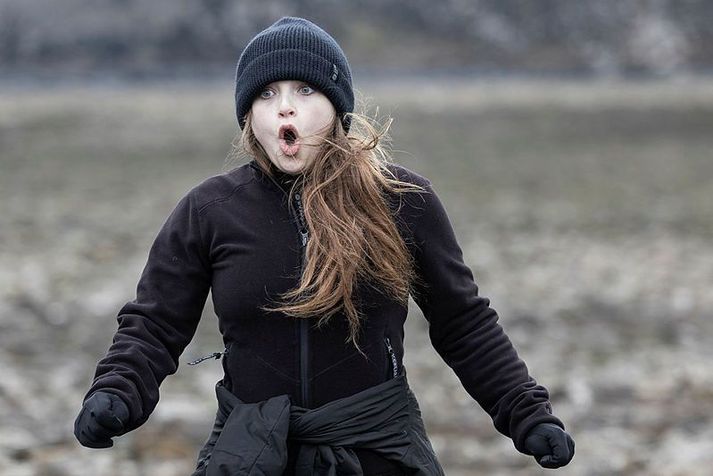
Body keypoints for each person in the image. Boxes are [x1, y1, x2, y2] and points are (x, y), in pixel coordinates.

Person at [73, 16, 575, 475]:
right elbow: (155, 324)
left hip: (378, 450)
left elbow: (463, 324)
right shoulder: (209, 210)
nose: (285, 105)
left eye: (305, 88)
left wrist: (526, 416)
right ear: (249, 115)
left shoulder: (403, 201)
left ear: (337, 107)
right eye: (267, 93)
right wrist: (117, 392)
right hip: (252, 454)